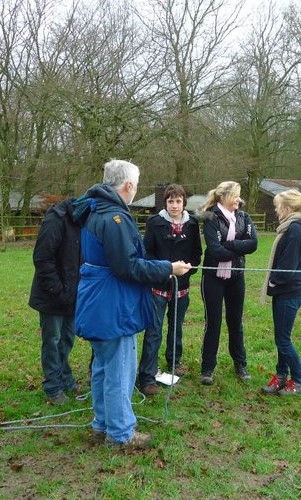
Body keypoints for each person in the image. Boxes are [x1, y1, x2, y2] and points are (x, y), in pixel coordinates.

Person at [73, 160, 191, 449]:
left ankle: (102, 424)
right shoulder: (114, 217)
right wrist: (168, 268)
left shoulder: (94, 209)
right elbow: (127, 266)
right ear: (128, 185)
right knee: (119, 369)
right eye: (136, 185)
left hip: (98, 298)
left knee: (103, 366)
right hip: (111, 303)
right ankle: (120, 433)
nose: (135, 190)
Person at [138, 184, 202, 395]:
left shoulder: (192, 225)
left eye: (178, 201)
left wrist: (188, 271)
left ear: (184, 203)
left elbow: (196, 254)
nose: (174, 205)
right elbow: (147, 253)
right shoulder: (154, 223)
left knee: (177, 327)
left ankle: (174, 361)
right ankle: (147, 375)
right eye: (170, 201)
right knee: (154, 330)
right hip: (158, 286)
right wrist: (163, 270)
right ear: (165, 203)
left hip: (181, 287)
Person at [198, 181, 258, 385]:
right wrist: (238, 248)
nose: (239, 200)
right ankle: (207, 368)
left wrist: (229, 245)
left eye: (240, 195)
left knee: (236, 322)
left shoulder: (244, 217)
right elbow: (215, 250)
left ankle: (240, 364)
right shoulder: (211, 217)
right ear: (222, 197)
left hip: (236, 275)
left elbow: (253, 244)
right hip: (212, 277)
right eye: (235, 195)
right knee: (213, 323)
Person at [259, 189, 301, 396]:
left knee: (283, 340)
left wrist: (273, 281)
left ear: (287, 208)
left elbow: (287, 267)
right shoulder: (291, 228)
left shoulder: (295, 231)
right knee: (281, 338)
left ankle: (299, 380)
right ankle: (281, 376)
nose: (275, 210)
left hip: (289, 293)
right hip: (284, 292)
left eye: (277, 206)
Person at [28, 197, 82, 405]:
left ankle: (65, 376)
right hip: (52, 295)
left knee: (67, 339)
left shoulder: (81, 222)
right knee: (52, 340)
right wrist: (57, 290)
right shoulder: (55, 220)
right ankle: (53, 385)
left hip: (71, 294)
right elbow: (42, 258)